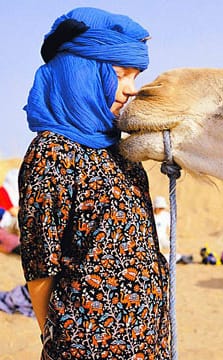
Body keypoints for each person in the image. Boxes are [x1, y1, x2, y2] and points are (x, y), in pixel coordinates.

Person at [18, 8, 170, 359]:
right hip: (86, 345)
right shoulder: (53, 153)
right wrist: (62, 337)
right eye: (121, 74)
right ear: (81, 74)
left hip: (148, 339)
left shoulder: (120, 150)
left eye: (135, 76)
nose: (131, 90)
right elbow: (40, 267)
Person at [153, 196, 193, 264]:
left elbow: (172, 227)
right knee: (156, 254)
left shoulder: (166, 215)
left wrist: (172, 239)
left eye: (162, 208)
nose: (161, 209)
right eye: (159, 208)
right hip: (154, 240)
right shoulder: (150, 215)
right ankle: (179, 258)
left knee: (173, 246)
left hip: (163, 238)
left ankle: (179, 257)